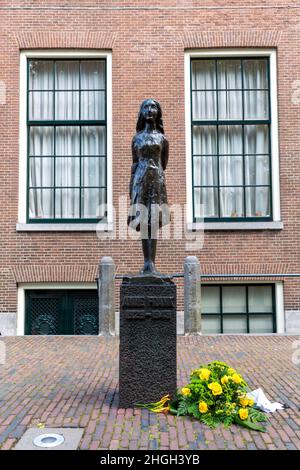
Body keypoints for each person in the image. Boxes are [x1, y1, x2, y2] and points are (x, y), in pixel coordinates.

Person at [127, 98, 170, 274]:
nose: (150, 110)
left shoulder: (163, 139)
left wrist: (155, 176)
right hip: (140, 182)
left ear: (158, 112)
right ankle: (147, 263)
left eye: (153, 107)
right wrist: (132, 187)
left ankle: (152, 263)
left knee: (153, 222)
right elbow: (134, 163)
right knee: (144, 222)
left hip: (157, 182)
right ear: (142, 112)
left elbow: (164, 163)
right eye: (146, 107)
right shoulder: (136, 139)